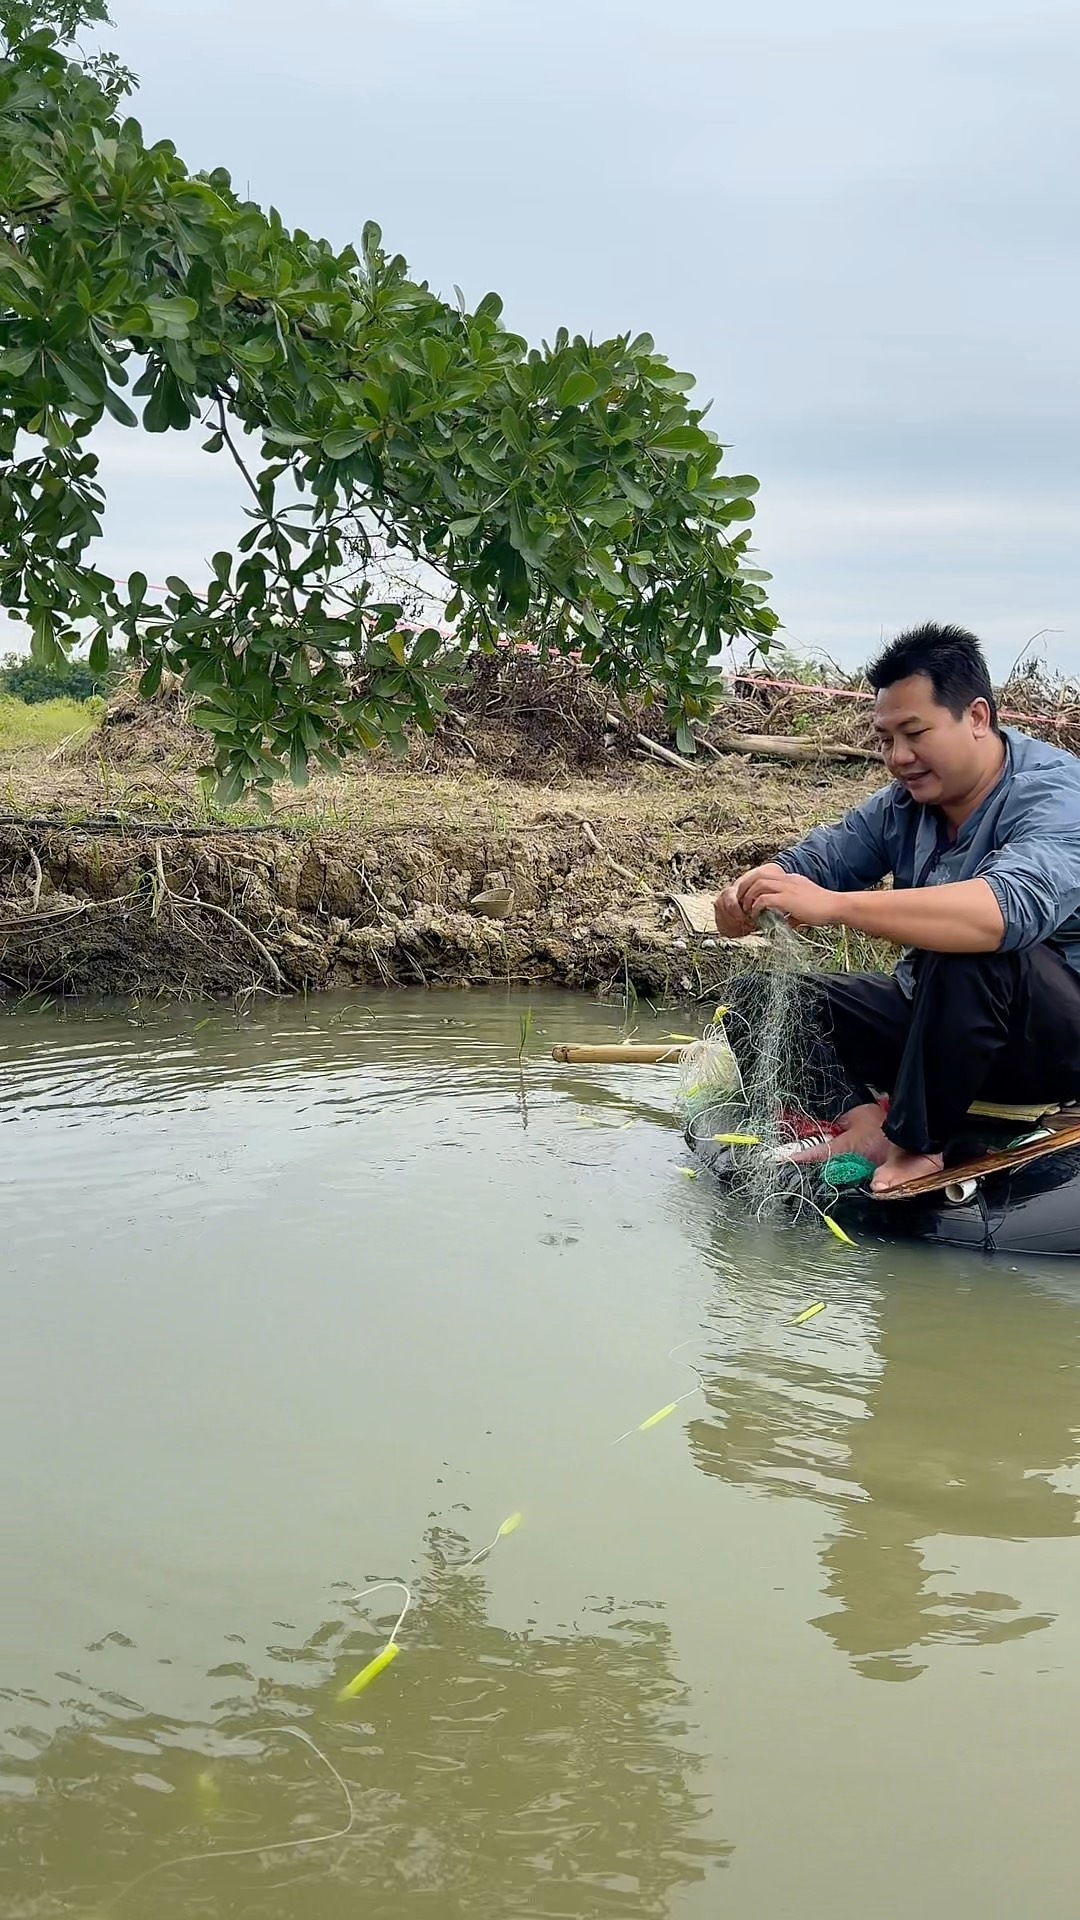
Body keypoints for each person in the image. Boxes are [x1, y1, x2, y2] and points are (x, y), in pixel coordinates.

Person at [713, 623, 1080, 1193]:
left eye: (914, 733)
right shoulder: (902, 805)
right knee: (756, 999)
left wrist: (835, 907)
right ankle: (863, 1124)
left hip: (1052, 1042)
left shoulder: (1057, 795)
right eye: (885, 739)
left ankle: (916, 1145)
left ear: (977, 717)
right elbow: (812, 864)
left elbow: (1006, 914)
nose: (898, 757)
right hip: (941, 1029)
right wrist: (747, 897)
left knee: (971, 945)